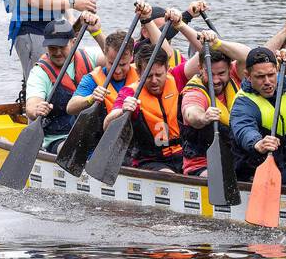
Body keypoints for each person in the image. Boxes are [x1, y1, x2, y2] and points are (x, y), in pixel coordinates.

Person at [228, 46, 286, 182]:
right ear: (248, 76)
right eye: (260, 77)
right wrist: (258, 143)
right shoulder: (243, 104)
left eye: (271, 75)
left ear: (277, 70)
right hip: (253, 167)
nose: (267, 82)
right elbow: (243, 129)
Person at [179, 34, 256, 177]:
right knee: (216, 175)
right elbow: (190, 112)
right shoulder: (194, 91)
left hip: (235, 159)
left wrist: (218, 43)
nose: (215, 80)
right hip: (202, 164)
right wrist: (203, 117)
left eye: (221, 73)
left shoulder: (235, 75)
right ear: (200, 69)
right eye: (210, 73)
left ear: (229, 68)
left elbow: (248, 56)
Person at [102, 43, 184, 173]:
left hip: (182, 155)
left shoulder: (176, 79)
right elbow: (107, 125)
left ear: (167, 68)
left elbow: (199, 62)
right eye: (149, 76)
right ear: (138, 72)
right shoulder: (129, 93)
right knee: (168, 174)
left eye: (159, 74)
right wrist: (122, 110)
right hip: (149, 160)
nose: (154, 81)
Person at [23, 15, 99, 153]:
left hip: (91, 133)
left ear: (74, 42)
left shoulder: (89, 56)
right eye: (52, 48)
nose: (57, 53)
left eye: (62, 47)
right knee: (73, 149)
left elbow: (119, 58)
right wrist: (36, 110)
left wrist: (97, 33)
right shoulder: (39, 72)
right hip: (58, 139)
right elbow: (31, 106)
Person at [69, 29, 138, 117]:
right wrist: (91, 98)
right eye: (112, 64)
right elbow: (70, 108)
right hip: (103, 128)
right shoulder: (92, 79)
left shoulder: (142, 75)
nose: (117, 71)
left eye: (122, 64)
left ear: (131, 56)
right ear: (105, 54)